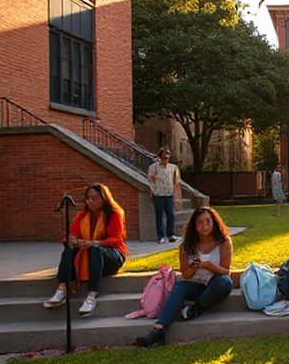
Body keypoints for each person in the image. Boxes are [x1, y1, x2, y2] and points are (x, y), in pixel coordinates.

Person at [135, 207, 234, 347]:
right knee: (180, 286)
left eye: (207, 221)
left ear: (214, 222)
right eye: (199, 222)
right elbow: (186, 275)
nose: (204, 226)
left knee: (225, 282)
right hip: (195, 284)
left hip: (214, 284)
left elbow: (226, 272)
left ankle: (195, 309)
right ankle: (159, 330)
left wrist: (211, 267)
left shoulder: (224, 242)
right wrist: (194, 268)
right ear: (194, 225)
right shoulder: (186, 246)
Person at [43, 183, 127, 316]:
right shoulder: (82, 216)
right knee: (70, 248)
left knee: (95, 249)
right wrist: (71, 240)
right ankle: (61, 289)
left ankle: (91, 296)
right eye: (87, 198)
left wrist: (93, 242)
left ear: (104, 198)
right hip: (89, 255)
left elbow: (116, 240)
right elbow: (72, 233)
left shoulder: (114, 214)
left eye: (94, 198)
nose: (90, 201)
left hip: (113, 255)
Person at [147, 146, 181, 244]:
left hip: (169, 194)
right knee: (159, 216)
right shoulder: (153, 167)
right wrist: (154, 190)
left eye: (167, 157)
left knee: (171, 214)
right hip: (158, 195)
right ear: (160, 157)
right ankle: (160, 236)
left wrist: (175, 193)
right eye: (164, 157)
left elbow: (176, 180)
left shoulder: (173, 168)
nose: (166, 160)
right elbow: (150, 179)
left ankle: (170, 234)